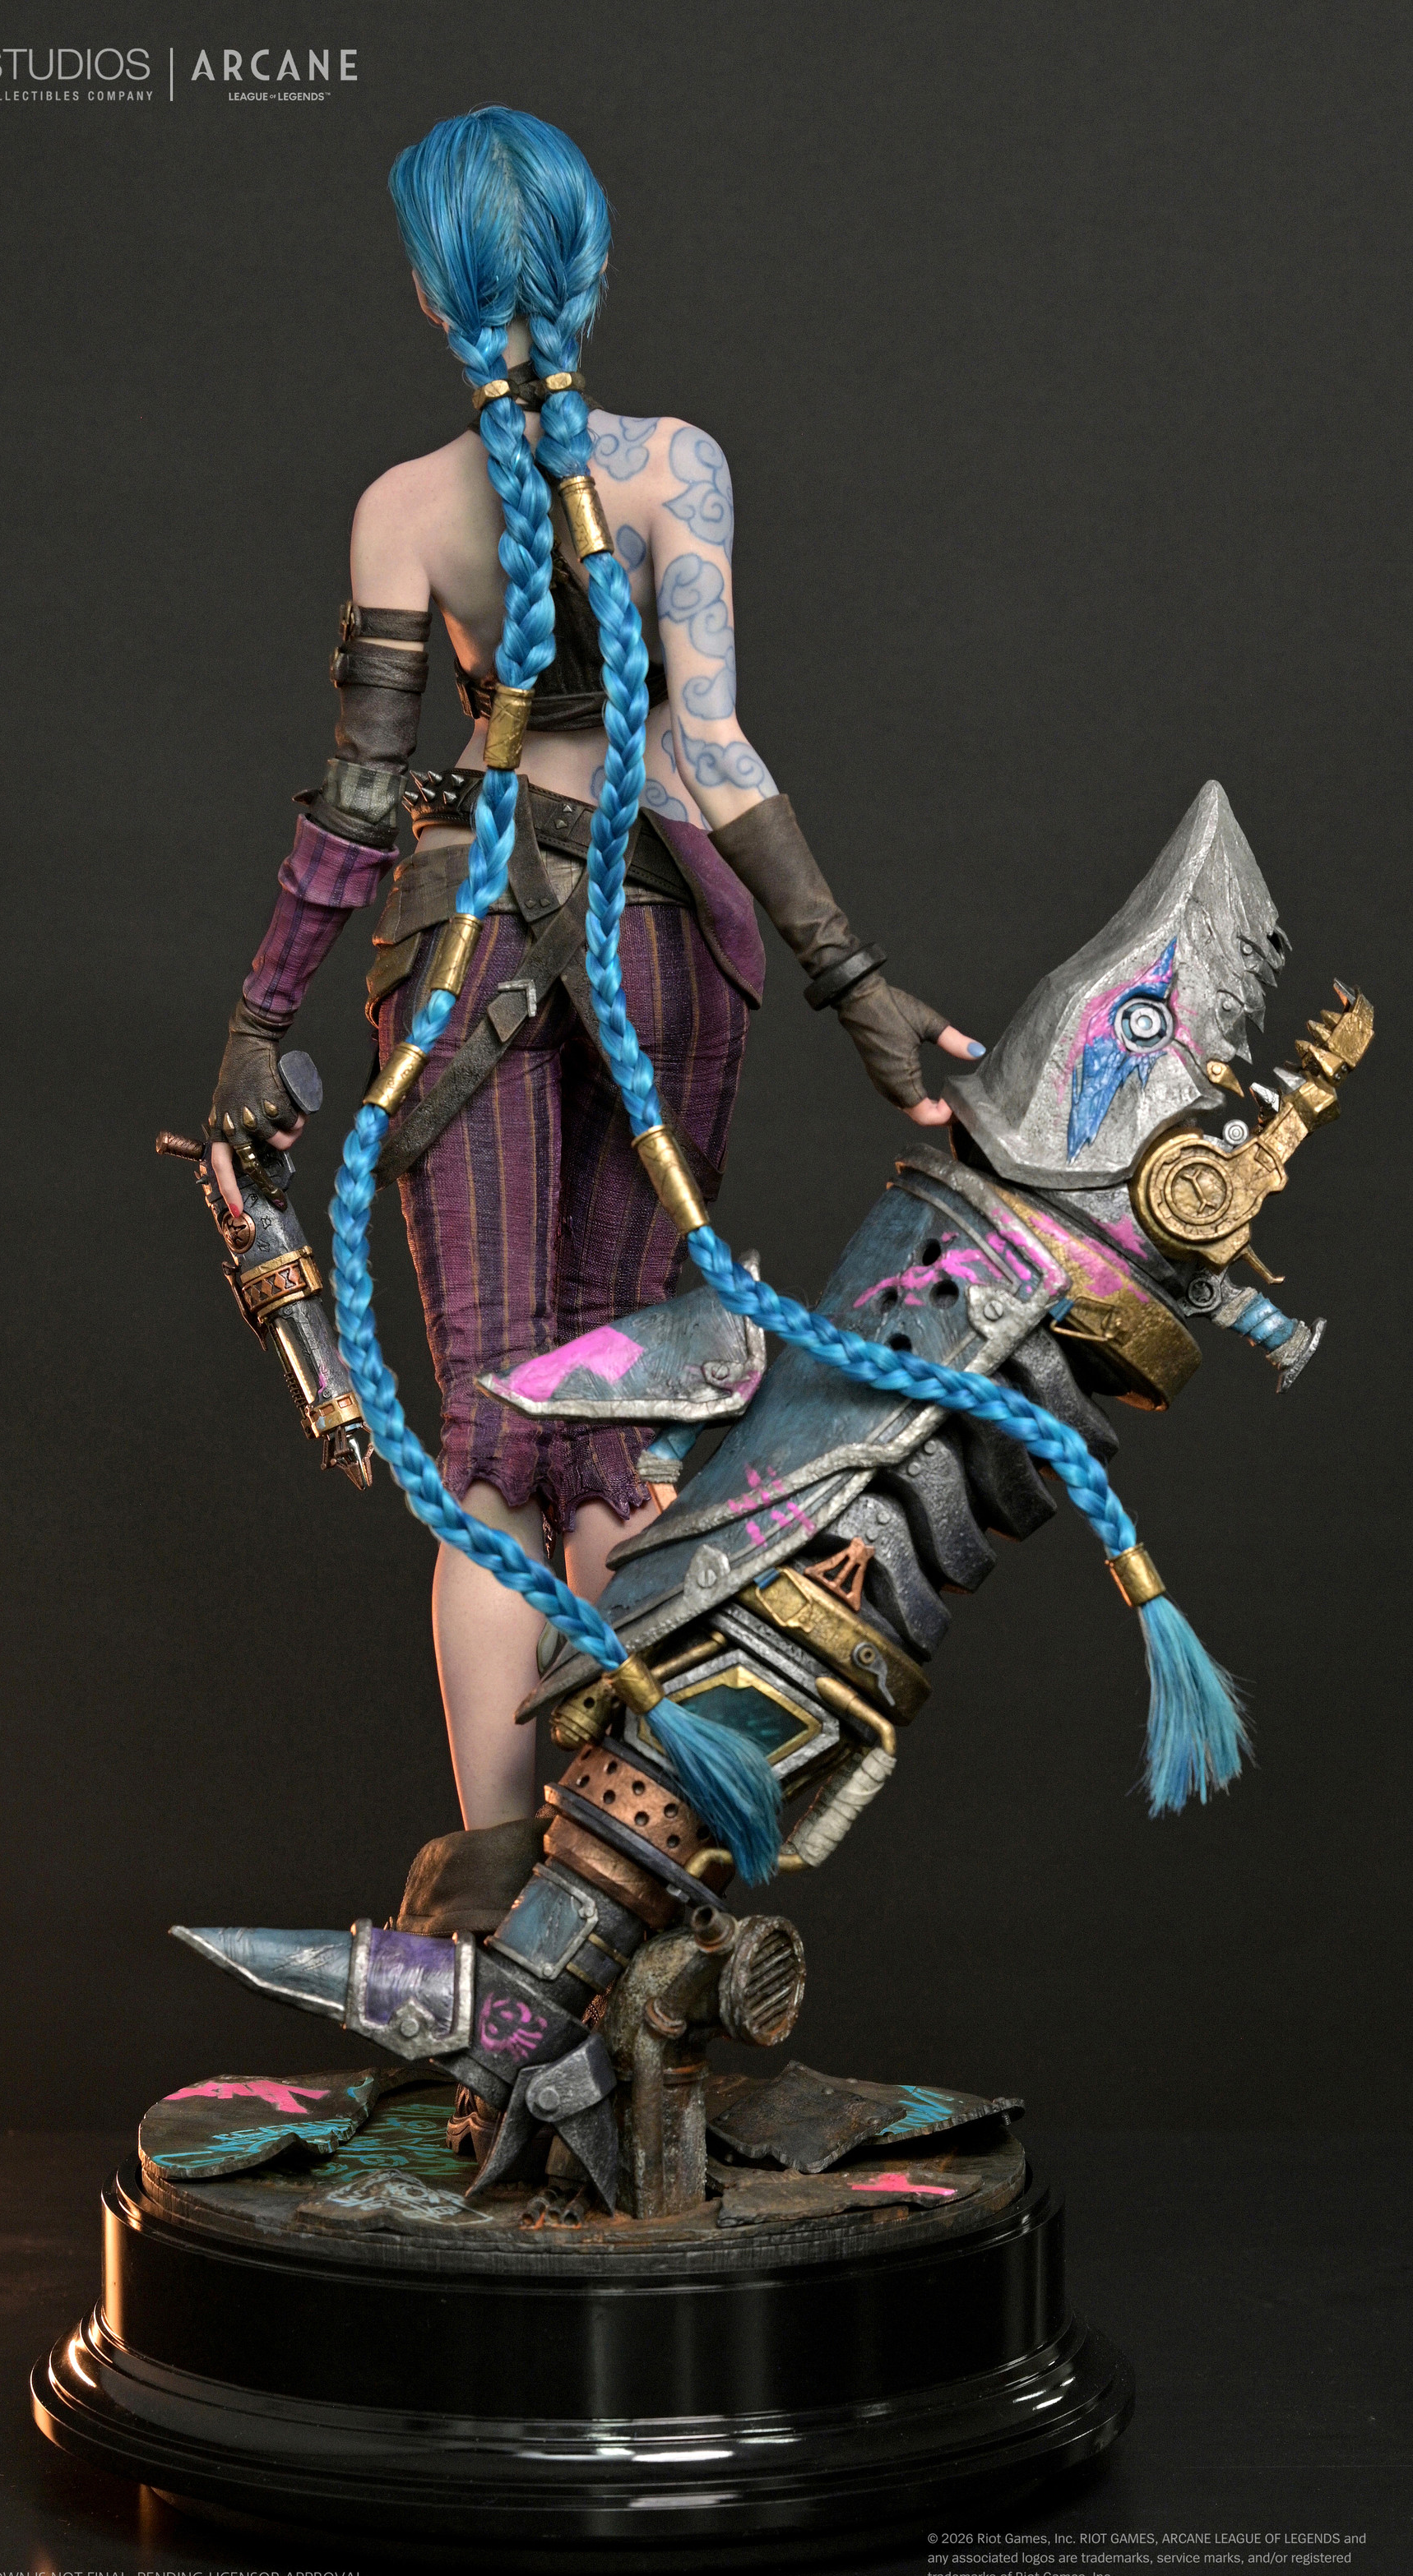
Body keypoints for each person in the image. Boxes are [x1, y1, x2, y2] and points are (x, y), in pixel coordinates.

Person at [204, 107, 980, 1846]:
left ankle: (500, 1893)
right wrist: (854, 979)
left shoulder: (405, 512)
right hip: (667, 940)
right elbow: (714, 749)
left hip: (463, 954)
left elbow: (359, 800)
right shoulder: (676, 467)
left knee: (494, 1441)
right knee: (624, 1424)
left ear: (429, 292)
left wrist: (258, 1021)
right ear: (596, 271)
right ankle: (618, 1865)